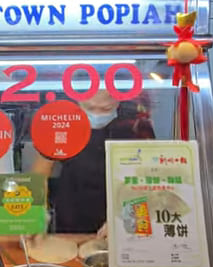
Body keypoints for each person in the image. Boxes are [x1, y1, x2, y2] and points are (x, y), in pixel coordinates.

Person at [32, 90, 155, 234]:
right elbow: (39, 175)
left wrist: (124, 217)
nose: (96, 114)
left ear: (119, 101)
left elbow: (148, 179)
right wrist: (37, 213)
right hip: (72, 208)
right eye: (89, 108)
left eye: (105, 109)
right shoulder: (62, 118)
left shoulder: (136, 123)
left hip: (123, 205)